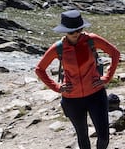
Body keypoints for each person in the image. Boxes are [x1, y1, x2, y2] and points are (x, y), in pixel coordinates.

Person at [34, 10, 120, 149]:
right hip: (72, 99)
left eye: (78, 29)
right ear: (64, 31)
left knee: (103, 137)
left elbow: (115, 53)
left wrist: (107, 78)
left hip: (96, 95)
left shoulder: (92, 40)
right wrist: (56, 87)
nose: (75, 34)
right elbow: (39, 69)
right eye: (71, 31)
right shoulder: (58, 48)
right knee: (82, 136)